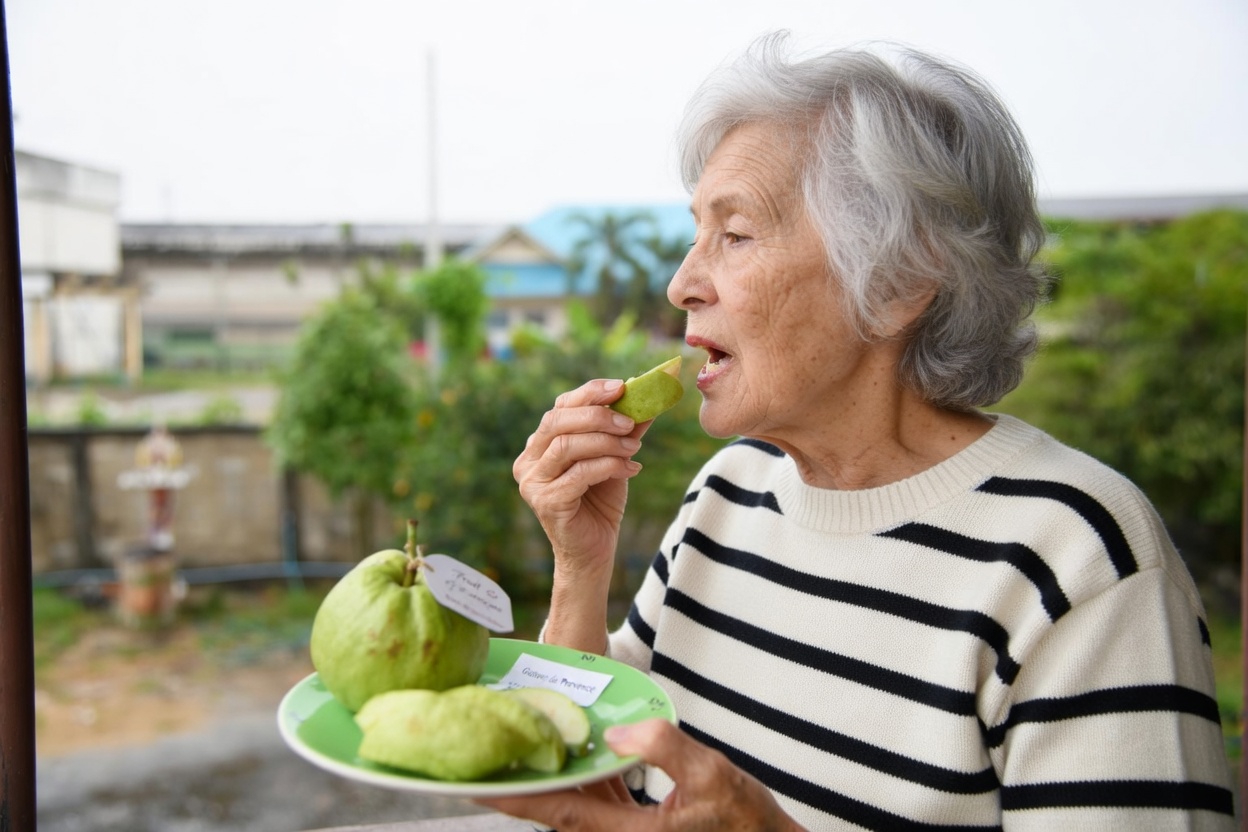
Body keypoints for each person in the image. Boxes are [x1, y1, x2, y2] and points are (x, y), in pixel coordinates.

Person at [484, 33, 1236, 830]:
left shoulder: (1079, 558)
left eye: (734, 236)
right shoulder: (728, 494)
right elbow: (592, 780)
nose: (681, 285)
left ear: (900, 279)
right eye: (695, 235)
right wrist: (580, 562)